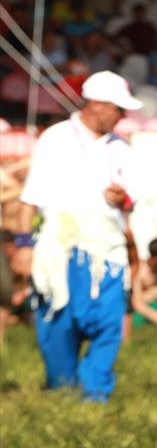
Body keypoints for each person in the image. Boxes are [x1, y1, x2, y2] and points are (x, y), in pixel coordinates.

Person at [12, 71, 142, 403]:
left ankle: (95, 392)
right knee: (59, 322)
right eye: (118, 109)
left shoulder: (122, 148)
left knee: (108, 323)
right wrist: (24, 245)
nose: (122, 116)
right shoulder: (55, 138)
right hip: (61, 247)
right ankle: (63, 390)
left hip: (108, 249)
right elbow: (30, 199)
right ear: (98, 105)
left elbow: (132, 200)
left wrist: (122, 199)